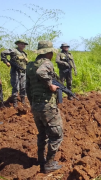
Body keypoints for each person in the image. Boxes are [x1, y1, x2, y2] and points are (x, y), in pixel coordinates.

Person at [26, 41, 63, 173]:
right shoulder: (46, 64)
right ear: (47, 52)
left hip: (36, 105)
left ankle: (40, 159)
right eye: (51, 52)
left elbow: (28, 88)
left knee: (42, 134)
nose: (52, 54)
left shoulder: (30, 65)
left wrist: (32, 103)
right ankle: (49, 163)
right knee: (57, 135)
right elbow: (41, 73)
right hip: (47, 106)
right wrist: (50, 85)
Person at [0, 39, 29, 107]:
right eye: (21, 44)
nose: (23, 45)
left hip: (23, 72)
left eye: (24, 44)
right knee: (16, 87)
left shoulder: (24, 53)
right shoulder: (14, 51)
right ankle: (15, 102)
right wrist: (6, 62)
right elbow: (3, 53)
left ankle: (23, 100)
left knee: (23, 87)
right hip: (16, 71)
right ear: (18, 44)